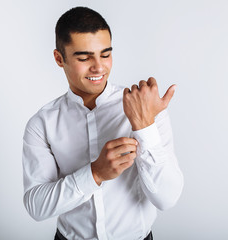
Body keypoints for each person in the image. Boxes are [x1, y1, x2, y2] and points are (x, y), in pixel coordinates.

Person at [22, 6, 183, 240]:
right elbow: (37, 206)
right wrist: (94, 174)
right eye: (84, 57)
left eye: (105, 54)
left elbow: (167, 199)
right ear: (59, 58)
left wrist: (144, 126)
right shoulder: (42, 123)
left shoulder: (145, 107)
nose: (99, 67)